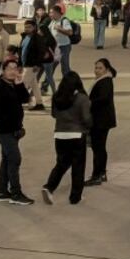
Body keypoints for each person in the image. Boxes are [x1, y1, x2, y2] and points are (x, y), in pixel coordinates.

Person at [0, 59, 34, 205]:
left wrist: (20, 85)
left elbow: (25, 99)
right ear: (3, 70)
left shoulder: (14, 85)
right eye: (9, 69)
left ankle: (2, 192)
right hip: (4, 131)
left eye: (15, 68)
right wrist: (10, 125)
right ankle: (16, 193)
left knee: (7, 159)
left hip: (15, 130)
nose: (13, 71)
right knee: (14, 158)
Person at [41, 71, 92, 205]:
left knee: (62, 163)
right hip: (77, 135)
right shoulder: (81, 98)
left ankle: (49, 187)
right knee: (78, 167)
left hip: (59, 135)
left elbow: (54, 114)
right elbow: (87, 118)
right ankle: (75, 197)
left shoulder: (57, 97)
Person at [85, 59, 116, 186]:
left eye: (100, 68)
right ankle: (101, 173)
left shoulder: (105, 81)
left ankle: (97, 175)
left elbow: (103, 99)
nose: (96, 70)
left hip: (101, 121)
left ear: (107, 69)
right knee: (99, 147)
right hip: (102, 120)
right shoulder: (103, 80)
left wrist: (88, 103)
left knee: (98, 148)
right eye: (96, 68)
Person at [18, 19, 48, 111]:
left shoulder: (38, 38)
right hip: (25, 64)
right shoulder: (24, 37)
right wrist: (19, 64)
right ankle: (39, 103)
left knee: (23, 85)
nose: (27, 29)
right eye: (26, 27)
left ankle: (16, 103)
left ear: (34, 27)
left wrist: (38, 64)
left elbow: (41, 52)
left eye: (29, 27)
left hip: (32, 66)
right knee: (34, 85)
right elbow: (21, 51)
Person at [49, 4, 77, 77]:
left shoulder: (64, 21)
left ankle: (68, 83)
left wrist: (60, 29)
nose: (50, 14)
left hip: (64, 47)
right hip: (55, 47)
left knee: (65, 67)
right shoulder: (53, 21)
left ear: (57, 13)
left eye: (52, 12)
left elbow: (70, 32)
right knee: (51, 66)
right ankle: (45, 84)